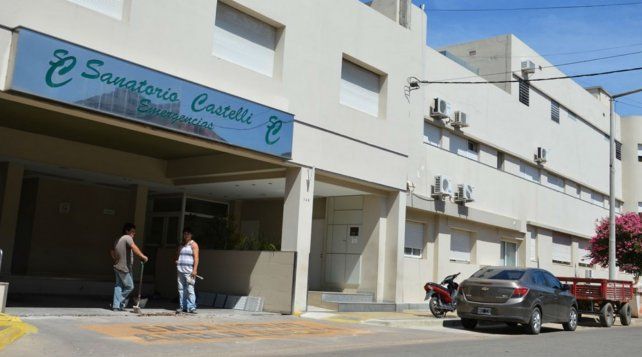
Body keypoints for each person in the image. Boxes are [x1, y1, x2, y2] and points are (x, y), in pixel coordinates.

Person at [110, 223, 148, 311]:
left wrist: (115, 259)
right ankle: (117, 302)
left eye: (134, 232)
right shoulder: (127, 238)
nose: (134, 234)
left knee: (118, 286)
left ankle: (117, 306)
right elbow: (134, 247)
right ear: (127, 231)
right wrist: (143, 257)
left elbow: (112, 251)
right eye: (132, 232)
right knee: (130, 286)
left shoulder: (118, 239)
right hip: (124, 268)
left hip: (117, 266)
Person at [176, 227, 199, 313]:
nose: (186, 235)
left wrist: (195, 270)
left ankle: (192, 307)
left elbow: (196, 258)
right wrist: (178, 261)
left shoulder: (194, 245)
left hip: (189, 271)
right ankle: (183, 306)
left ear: (191, 235)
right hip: (180, 270)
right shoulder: (181, 245)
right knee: (181, 289)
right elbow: (178, 256)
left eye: (188, 234)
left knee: (190, 289)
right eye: (185, 233)